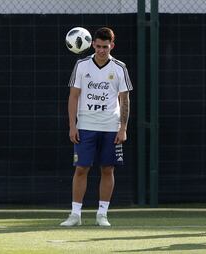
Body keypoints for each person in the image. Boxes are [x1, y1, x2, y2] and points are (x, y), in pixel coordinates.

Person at [60, 27, 133, 227]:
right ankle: (75, 214)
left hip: (111, 126)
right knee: (81, 168)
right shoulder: (82, 65)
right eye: (98, 46)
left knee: (108, 169)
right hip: (85, 125)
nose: (101, 50)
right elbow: (73, 96)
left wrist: (123, 128)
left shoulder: (119, 68)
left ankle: (102, 214)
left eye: (105, 47)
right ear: (92, 44)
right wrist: (72, 125)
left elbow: (125, 100)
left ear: (112, 46)